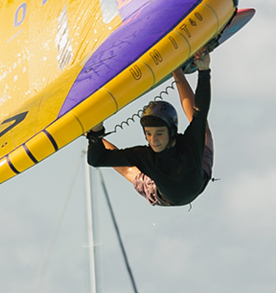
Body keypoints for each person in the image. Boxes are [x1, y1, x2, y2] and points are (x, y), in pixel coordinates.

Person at [86, 50, 213, 207]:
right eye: (148, 134)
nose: (153, 140)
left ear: (172, 131)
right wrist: (95, 135)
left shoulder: (190, 144)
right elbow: (97, 159)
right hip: (164, 196)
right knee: (130, 171)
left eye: (159, 133)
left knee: (202, 128)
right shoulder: (145, 155)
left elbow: (200, 111)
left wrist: (204, 70)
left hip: (199, 175)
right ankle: (88, 129)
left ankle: (177, 71)